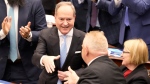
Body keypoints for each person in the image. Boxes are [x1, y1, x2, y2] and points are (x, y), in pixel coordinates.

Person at [32, 2, 86, 84]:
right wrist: (44, 59)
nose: (65, 23)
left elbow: (90, 66)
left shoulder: (83, 37)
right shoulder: (45, 34)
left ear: (74, 18)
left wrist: (74, 74)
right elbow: (36, 57)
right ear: (55, 17)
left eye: (69, 19)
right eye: (61, 19)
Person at [0, 0, 46, 83]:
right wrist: (3, 33)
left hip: (28, 68)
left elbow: (44, 33)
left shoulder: (35, 3)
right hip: (3, 68)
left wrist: (29, 35)